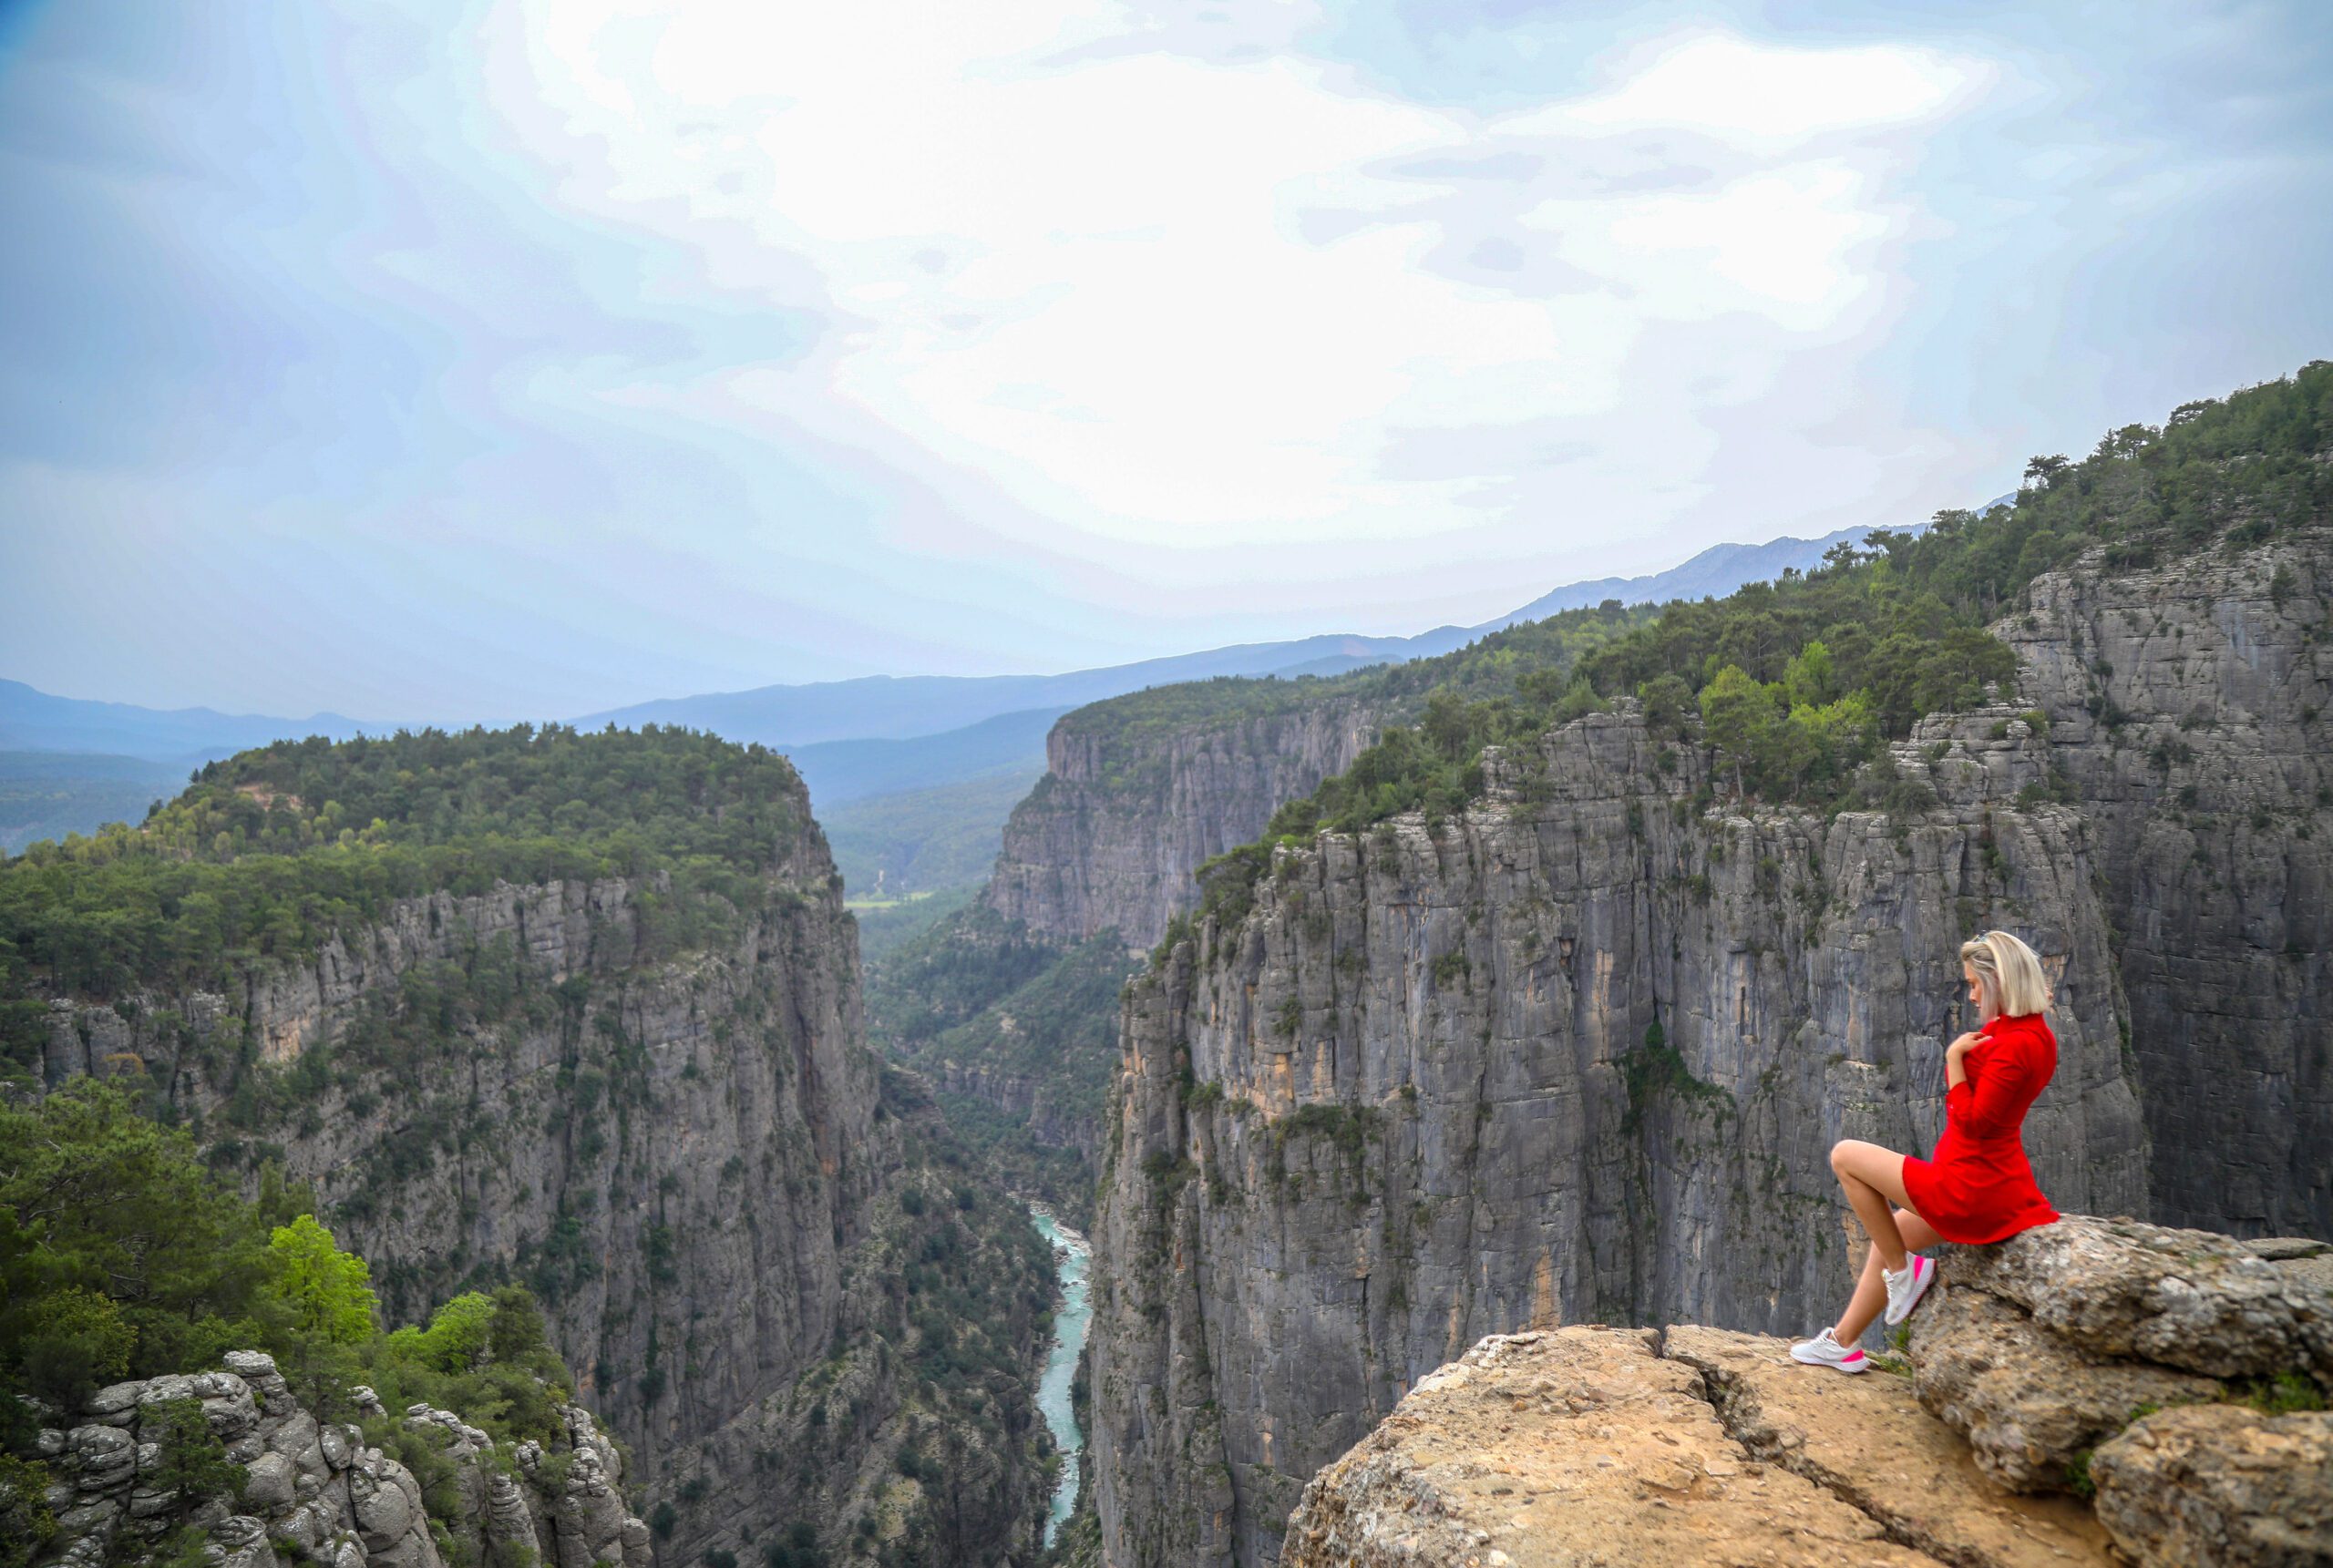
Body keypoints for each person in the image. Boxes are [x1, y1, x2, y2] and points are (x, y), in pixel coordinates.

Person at [1791, 930, 2062, 1373]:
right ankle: (1842, 1343)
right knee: (1891, 1233)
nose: (1971, 995)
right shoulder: (2032, 1033)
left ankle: (1905, 1274)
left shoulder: (2015, 1046)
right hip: (1995, 1182)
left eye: (1975, 984)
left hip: (1967, 1187)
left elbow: (1974, 1122)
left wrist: (1954, 1062)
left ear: (1998, 982)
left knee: (1845, 1156)